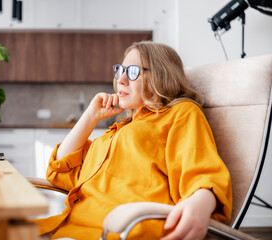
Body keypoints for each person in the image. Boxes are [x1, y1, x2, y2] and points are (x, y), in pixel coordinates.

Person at [34, 41, 232, 240]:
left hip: (117, 231)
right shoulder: (118, 131)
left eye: (133, 71)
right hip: (68, 228)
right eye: (120, 70)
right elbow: (60, 171)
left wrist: (200, 205)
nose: (120, 79)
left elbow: (202, 173)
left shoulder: (180, 113)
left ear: (160, 75)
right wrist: (90, 116)